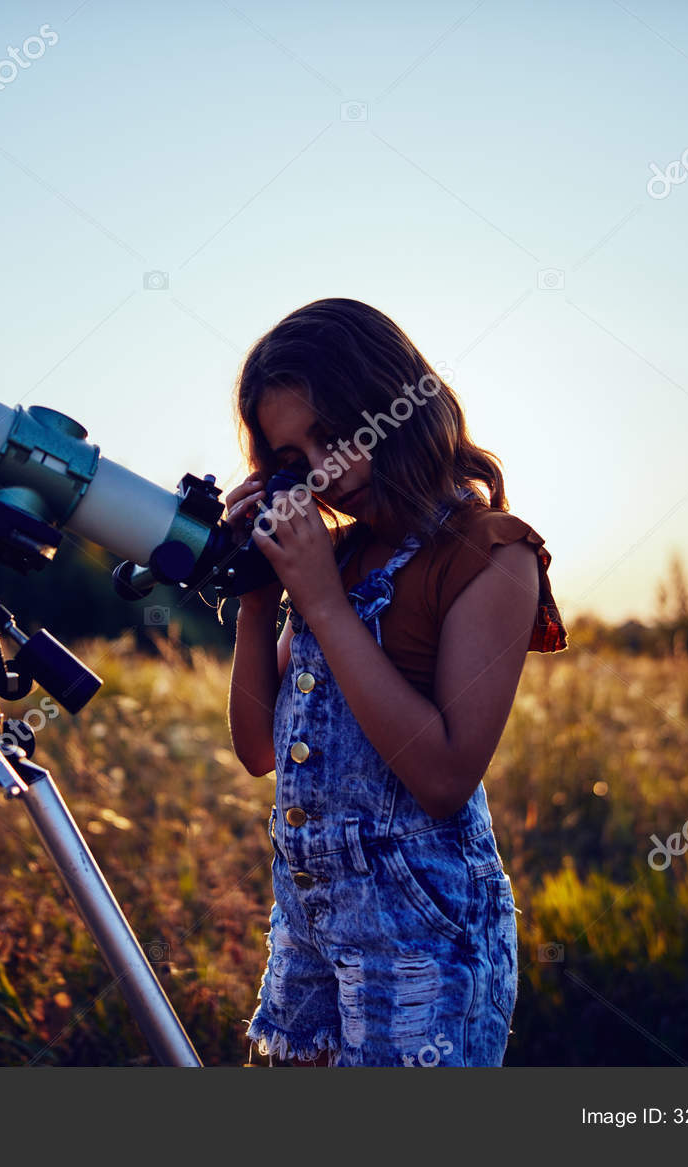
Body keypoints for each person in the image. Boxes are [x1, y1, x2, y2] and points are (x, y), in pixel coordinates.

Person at [223, 297, 567, 1067]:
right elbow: (256, 749)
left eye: (338, 435)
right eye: (295, 455)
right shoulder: (337, 556)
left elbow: (445, 776)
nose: (325, 471)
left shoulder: (490, 555)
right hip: (308, 933)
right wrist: (255, 595)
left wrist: (318, 599)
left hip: (423, 946)